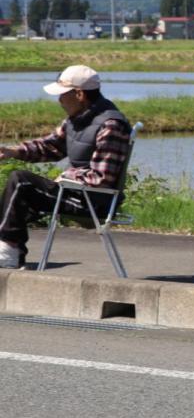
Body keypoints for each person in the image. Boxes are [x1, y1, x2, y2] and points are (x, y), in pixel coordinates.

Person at [0, 66, 133, 269]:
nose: (59, 100)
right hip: (76, 193)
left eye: (62, 95)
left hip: (93, 201)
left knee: (21, 182)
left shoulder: (111, 125)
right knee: (14, 193)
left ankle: (9, 252)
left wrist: (67, 177)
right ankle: (9, 250)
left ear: (79, 94)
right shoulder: (77, 119)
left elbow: (102, 179)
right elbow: (50, 147)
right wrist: (13, 152)